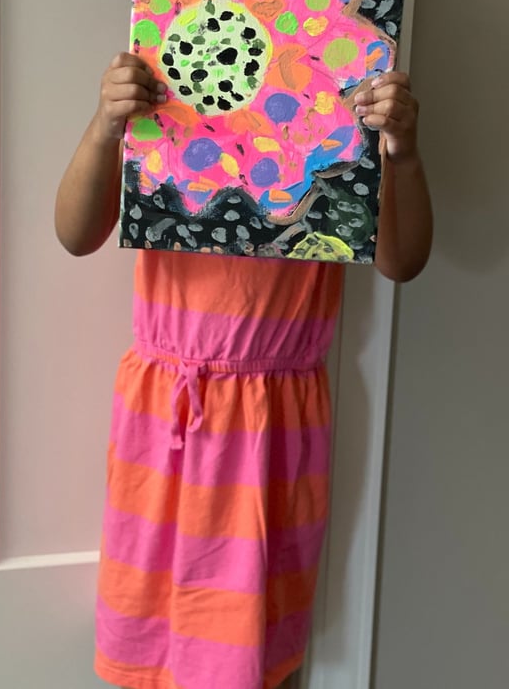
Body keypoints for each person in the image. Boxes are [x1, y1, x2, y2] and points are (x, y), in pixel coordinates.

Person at [55, 52, 432, 689]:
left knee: (255, 642)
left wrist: (403, 153)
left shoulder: (347, 99)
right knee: (147, 638)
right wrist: (105, 124)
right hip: (166, 413)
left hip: (273, 423)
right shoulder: (165, 81)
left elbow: (404, 261)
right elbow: (75, 232)